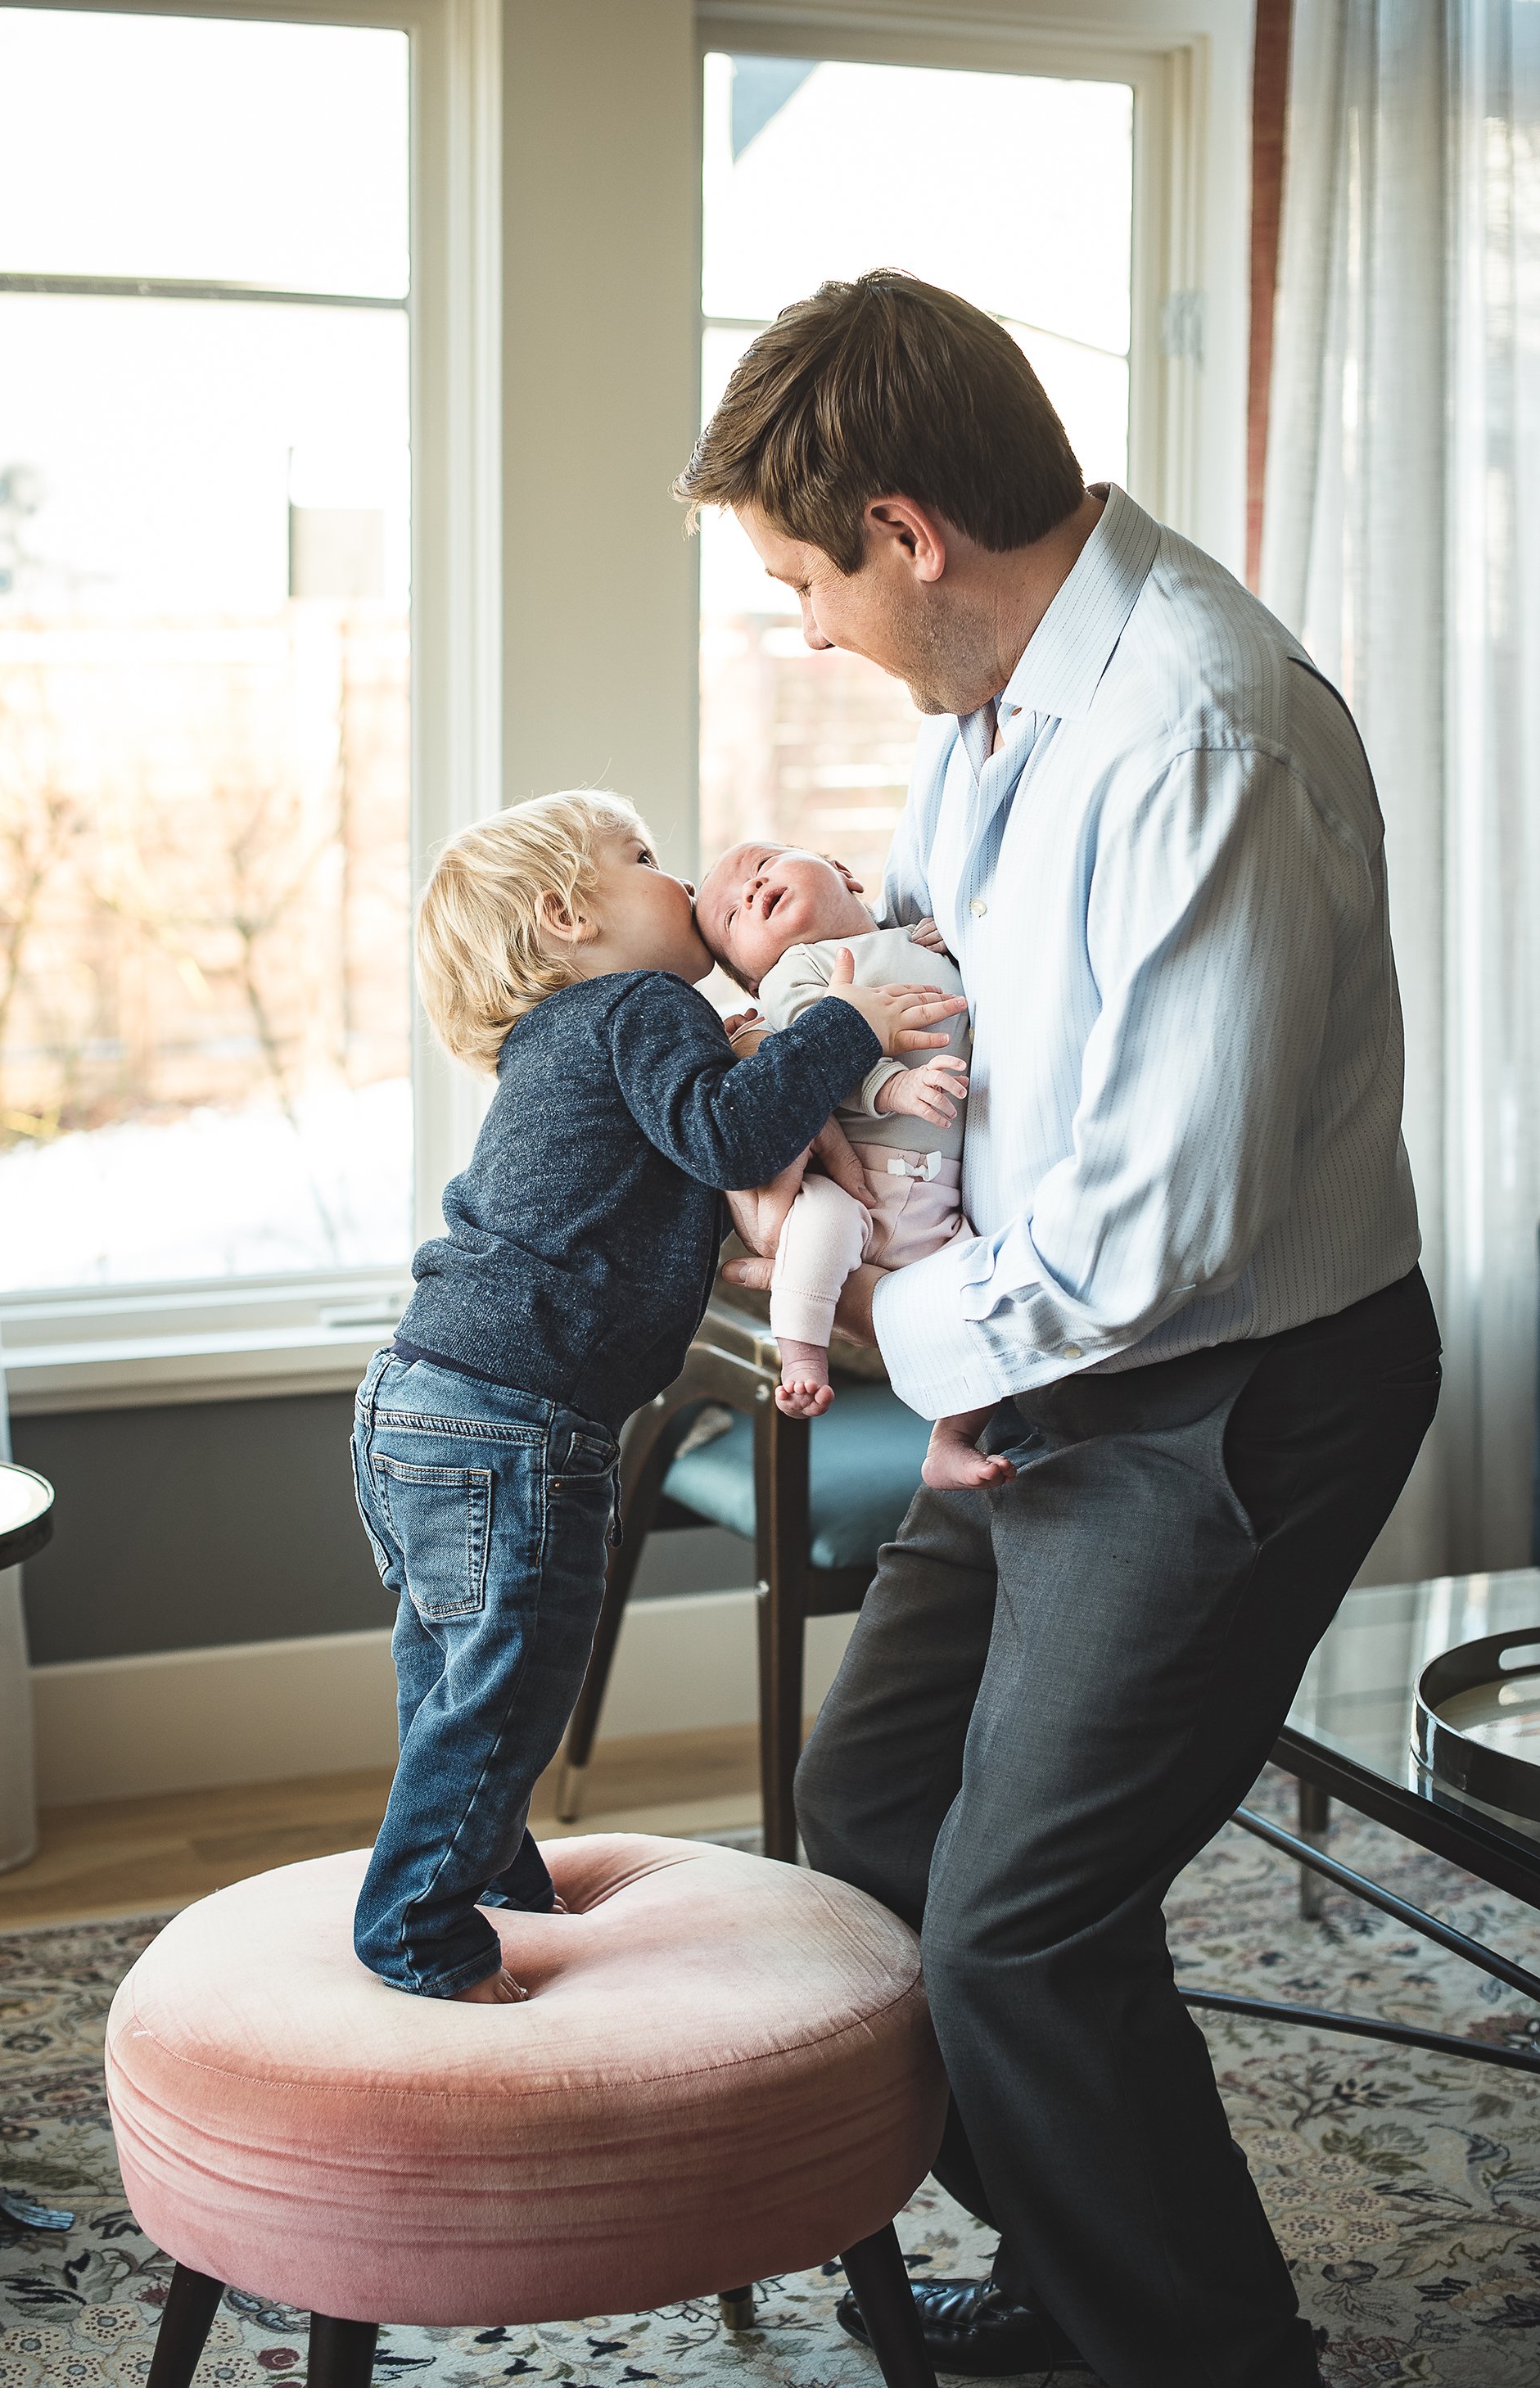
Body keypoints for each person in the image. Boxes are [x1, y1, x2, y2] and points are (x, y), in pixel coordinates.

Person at [675, 270, 1440, 2388]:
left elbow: (1158, 1228)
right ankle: (1079, 2257)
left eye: (803, 579)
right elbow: (969, 982)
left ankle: (1201, 2353)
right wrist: (839, 1003)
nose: (806, 626)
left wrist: (895, 1317)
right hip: (1027, 1362)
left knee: (1020, 1921)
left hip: (1218, 1393)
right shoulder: (994, 700)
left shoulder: (1196, 721)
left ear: (906, 530)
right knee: (877, 1810)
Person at [349, 787, 964, 2007]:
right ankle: (416, 1928)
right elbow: (730, 1138)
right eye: (642, 857)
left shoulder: (569, 1033)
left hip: (419, 1397)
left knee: (457, 1673)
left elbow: (708, 1131)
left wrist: (766, 1052)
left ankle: (498, 1871)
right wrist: (842, 1023)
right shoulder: (638, 1003)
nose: (673, 875)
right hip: (515, 1420)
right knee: (512, 1679)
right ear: (571, 915)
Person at [699, 839, 1008, 1490]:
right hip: (860, 1187)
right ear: (752, 978)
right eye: (733, 918)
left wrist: (934, 942)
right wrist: (888, 1087)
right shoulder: (795, 973)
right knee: (818, 1226)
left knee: (978, 1305)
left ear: (841, 871)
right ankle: (803, 1355)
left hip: (942, 1204)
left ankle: (951, 1438)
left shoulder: (913, 941)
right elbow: (814, 1045)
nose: (752, 892)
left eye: (762, 867)